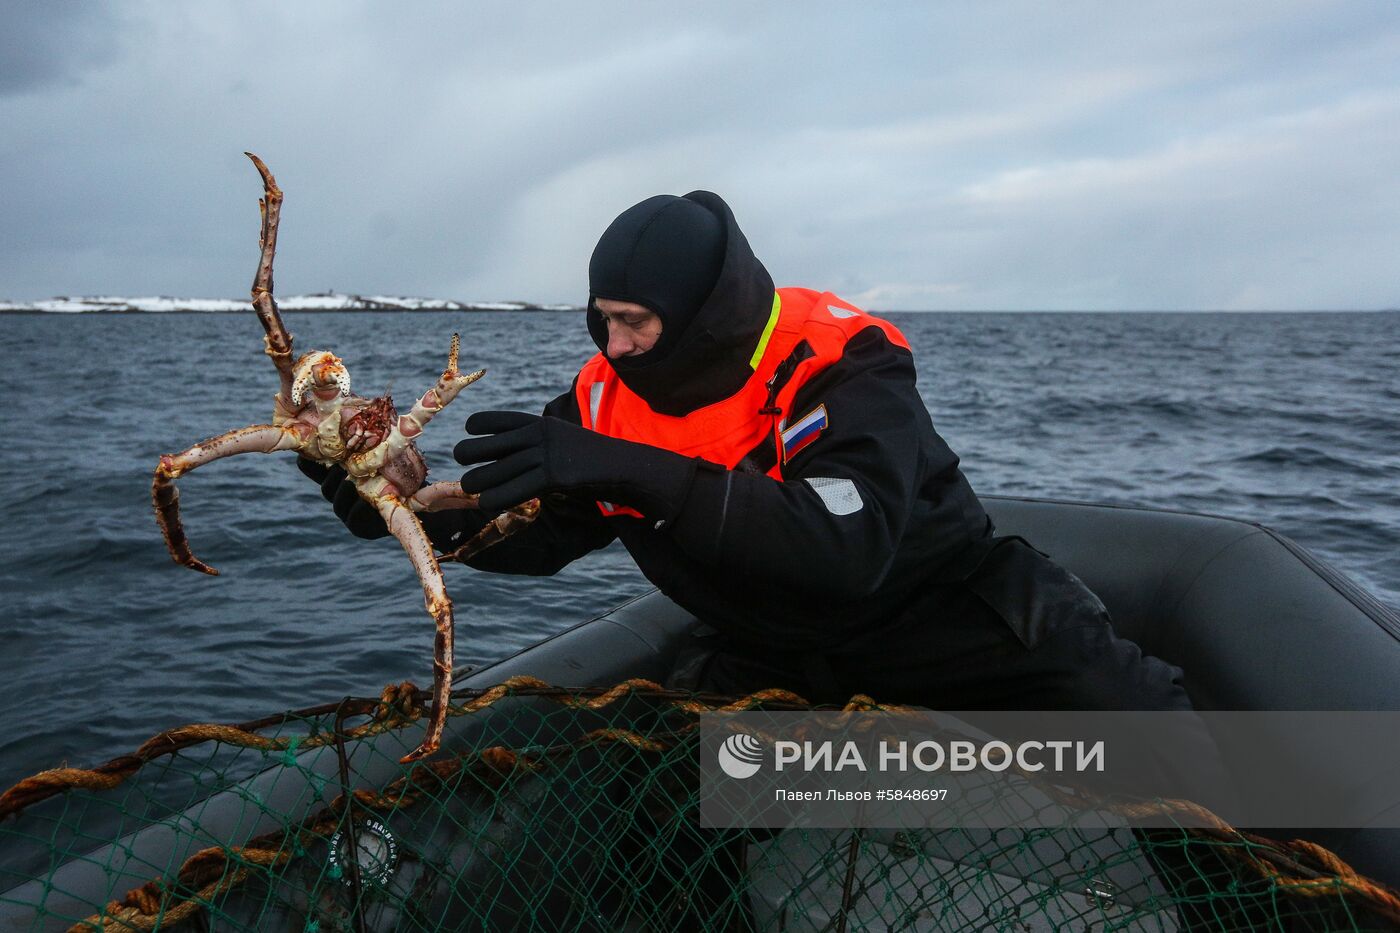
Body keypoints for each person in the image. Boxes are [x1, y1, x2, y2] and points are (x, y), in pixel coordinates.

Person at [303, 190, 1198, 722]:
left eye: (636, 322)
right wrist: (400, 513)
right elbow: (541, 532)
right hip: (766, 650)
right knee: (653, 810)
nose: (611, 346)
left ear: (697, 311)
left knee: (1148, 718)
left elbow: (844, 547)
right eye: (600, 318)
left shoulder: (839, 359)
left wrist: (624, 469)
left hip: (939, 614)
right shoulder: (598, 398)